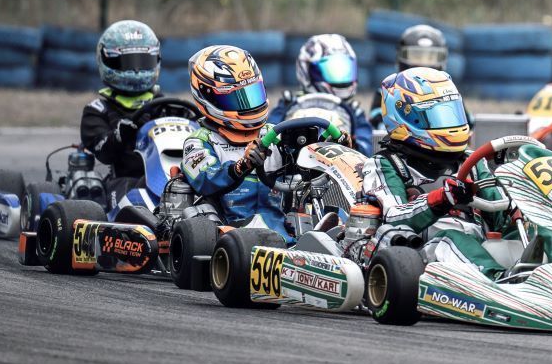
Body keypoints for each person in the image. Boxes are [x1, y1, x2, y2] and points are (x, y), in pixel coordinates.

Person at [361, 67, 514, 278]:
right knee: (452, 238)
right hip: (419, 253)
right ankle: (499, 282)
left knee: (537, 229)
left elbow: (500, 216)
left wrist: (519, 208)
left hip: (479, 244)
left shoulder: (471, 161)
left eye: (451, 113)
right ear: (406, 117)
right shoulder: (386, 163)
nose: (448, 124)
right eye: (436, 116)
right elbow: (394, 217)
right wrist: (441, 199)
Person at [179, 45, 289, 241]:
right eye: (234, 99)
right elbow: (206, 180)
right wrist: (241, 167)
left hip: (283, 233)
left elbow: (302, 164)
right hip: (228, 235)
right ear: (207, 96)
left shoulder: (274, 134)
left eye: (252, 94)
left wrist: (326, 145)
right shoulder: (199, 142)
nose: (248, 107)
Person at [80, 20, 161, 200]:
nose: (136, 70)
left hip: (174, 180)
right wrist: (120, 135)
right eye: (127, 62)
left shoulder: (169, 107)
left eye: (143, 61)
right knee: (133, 195)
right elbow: (104, 153)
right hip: (126, 183)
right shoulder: (98, 110)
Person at [270, 34, 374, 155]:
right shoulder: (288, 104)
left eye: (344, 71)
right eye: (333, 71)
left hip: (338, 163)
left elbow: (366, 150)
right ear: (308, 71)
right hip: (290, 161)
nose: (340, 79)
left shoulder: (354, 111)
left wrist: (351, 144)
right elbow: (267, 137)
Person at [368, 24, 449, 127]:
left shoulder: (449, 93)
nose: (423, 64)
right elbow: (377, 122)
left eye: (430, 57)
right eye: (416, 56)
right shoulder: (387, 93)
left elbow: (466, 124)